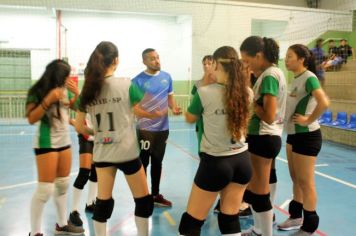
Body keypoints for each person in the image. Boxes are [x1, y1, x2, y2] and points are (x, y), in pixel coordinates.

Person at [75, 41, 153, 236]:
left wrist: (98, 133)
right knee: (143, 201)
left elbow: (79, 126)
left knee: (103, 202)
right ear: (116, 61)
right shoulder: (127, 84)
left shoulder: (87, 90)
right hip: (127, 152)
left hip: (103, 153)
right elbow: (141, 109)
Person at [178, 46, 252, 236]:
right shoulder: (247, 92)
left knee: (190, 224)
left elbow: (189, 118)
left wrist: (206, 83)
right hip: (242, 160)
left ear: (217, 64)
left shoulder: (204, 92)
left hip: (216, 163)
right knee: (229, 219)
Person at [26, 59, 84, 236]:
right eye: (66, 76)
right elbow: (31, 118)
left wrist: (76, 93)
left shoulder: (63, 89)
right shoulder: (36, 91)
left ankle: (62, 224)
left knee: (62, 185)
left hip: (64, 141)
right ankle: (35, 232)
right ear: (57, 76)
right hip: (46, 142)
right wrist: (48, 100)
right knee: (45, 190)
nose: (68, 79)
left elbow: (74, 107)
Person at [278, 44, 329, 236]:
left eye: (290, 56)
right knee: (296, 179)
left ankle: (309, 226)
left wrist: (308, 119)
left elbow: (324, 102)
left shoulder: (309, 78)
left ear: (302, 59)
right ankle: (295, 216)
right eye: (286, 56)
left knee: (306, 182)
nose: (286, 59)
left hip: (308, 136)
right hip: (293, 135)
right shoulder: (296, 79)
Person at [240, 36, 287, 236]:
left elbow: (268, 115)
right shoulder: (270, 74)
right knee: (255, 190)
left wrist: (250, 99)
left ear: (259, 56)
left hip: (264, 137)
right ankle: (259, 229)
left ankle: (264, 233)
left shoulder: (269, 75)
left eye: (247, 60)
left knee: (260, 193)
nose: (245, 64)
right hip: (262, 137)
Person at [130, 48, 182, 207]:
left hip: (163, 129)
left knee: (158, 162)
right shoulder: (137, 81)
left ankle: (155, 194)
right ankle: (142, 195)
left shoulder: (167, 77)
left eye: (158, 57)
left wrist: (174, 108)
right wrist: (152, 115)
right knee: (143, 163)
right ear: (144, 61)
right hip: (145, 130)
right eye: (152, 58)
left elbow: (170, 98)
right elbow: (134, 108)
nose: (157, 61)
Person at [68, 113, 97, 227]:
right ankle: (73, 211)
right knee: (84, 172)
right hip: (85, 134)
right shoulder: (84, 96)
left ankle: (90, 204)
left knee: (96, 171)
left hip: (98, 135)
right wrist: (75, 123)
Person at [191, 55, 215, 149]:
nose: (206, 66)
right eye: (204, 64)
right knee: (202, 149)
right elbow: (193, 104)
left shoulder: (220, 83)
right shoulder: (198, 84)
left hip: (215, 121)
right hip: (201, 122)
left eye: (209, 63)